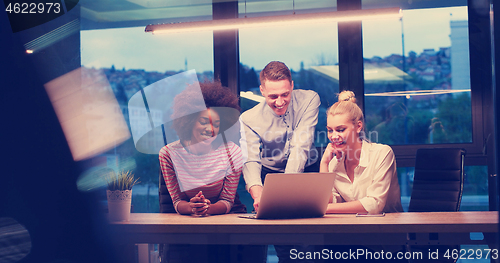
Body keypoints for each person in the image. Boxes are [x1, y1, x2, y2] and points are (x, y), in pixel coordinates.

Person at [159, 80, 266, 262]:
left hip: (226, 218)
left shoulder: (232, 152)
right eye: (203, 121)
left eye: (216, 123)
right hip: (189, 219)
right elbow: (176, 201)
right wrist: (192, 207)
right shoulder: (168, 154)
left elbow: (227, 201)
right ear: (189, 121)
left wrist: (208, 209)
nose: (210, 129)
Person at [239, 61, 321, 263]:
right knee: (282, 243)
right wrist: (258, 194)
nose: (279, 102)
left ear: (292, 85)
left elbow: (300, 147)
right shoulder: (248, 118)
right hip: (270, 175)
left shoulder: (309, 99)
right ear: (262, 90)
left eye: (285, 94)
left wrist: (284, 192)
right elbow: (250, 159)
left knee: (309, 242)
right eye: (272, 96)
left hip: (306, 171)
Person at [319, 90, 404, 262]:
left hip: (384, 242)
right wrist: (324, 164)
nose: (334, 136)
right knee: (321, 249)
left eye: (340, 129)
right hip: (351, 239)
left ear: (358, 126)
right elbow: (328, 201)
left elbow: (374, 205)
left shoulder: (382, 153)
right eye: (330, 130)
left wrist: (324, 210)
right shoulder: (335, 163)